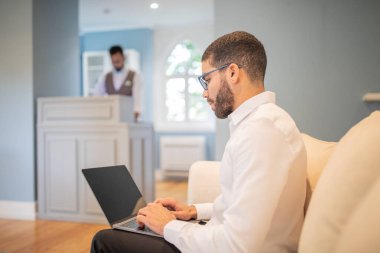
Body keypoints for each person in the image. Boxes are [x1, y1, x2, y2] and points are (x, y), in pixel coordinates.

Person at [91, 31, 307, 253]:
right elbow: (242, 207)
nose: (204, 93)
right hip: (218, 236)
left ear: (233, 72)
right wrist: (193, 211)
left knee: (104, 240)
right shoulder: (261, 123)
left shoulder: (261, 132)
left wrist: (168, 225)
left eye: (207, 79)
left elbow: (236, 245)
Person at [93, 45, 143, 122]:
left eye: (118, 60)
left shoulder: (134, 76)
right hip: (111, 117)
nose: (116, 63)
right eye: (114, 61)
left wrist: (136, 111)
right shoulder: (105, 77)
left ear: (123, 58)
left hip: (128, 116)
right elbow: (97, 95)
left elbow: (137, 96)